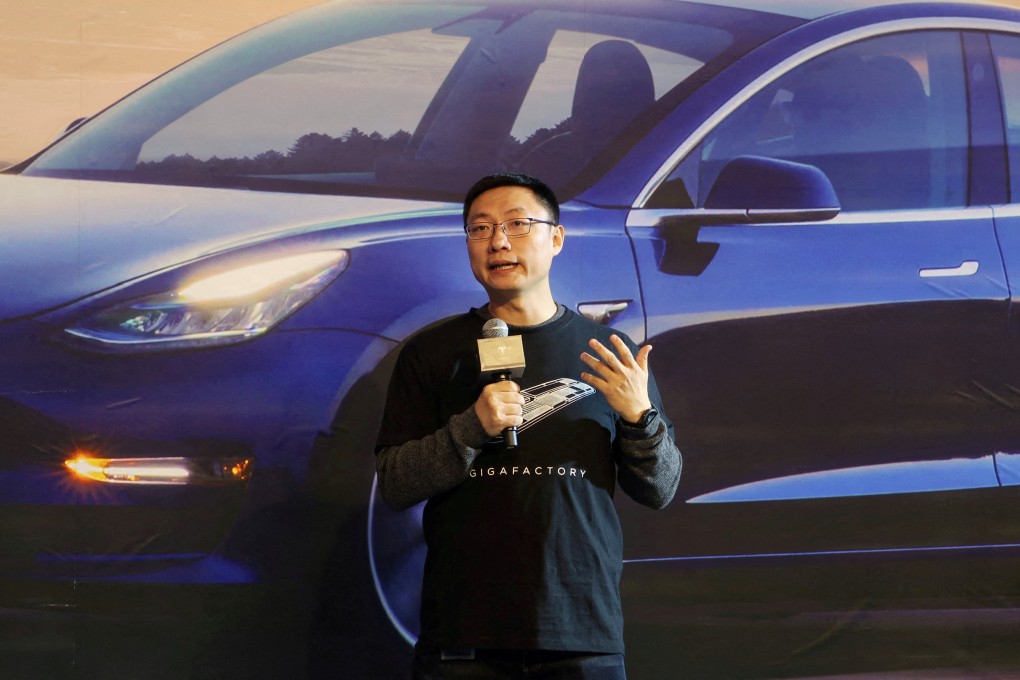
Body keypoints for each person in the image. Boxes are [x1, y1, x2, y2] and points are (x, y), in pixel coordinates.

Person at [375, 172, 682, 680]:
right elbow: (395, 483)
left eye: (517, 224)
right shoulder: (430, 353)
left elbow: (660, 488)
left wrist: (638, 417)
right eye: (481, 228)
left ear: (556, 238)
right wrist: (471, 427)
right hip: (464, 638)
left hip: (580, 636)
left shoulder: (609, 353)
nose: (498, 241)